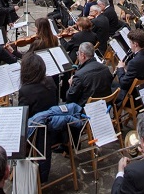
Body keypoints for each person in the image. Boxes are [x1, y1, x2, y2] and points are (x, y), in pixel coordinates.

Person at [18, 52, 58, 183]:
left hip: (35, 135)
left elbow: (23, 118)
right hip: (53, 127)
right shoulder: (51, 81)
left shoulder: (25, 90)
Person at [66, 42, 113, 107]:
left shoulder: (79, 75)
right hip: (105, 107)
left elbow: (70, 99)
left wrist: (71, 84)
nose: (78, 56)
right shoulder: (106, 69)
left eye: (78, 54)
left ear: (83, 55)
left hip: (86, 110)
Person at [115, 30, 144, 101]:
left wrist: (120, 68)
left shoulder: (133, 62)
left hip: (133, 95)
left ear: (135, 44)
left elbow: (123, 84)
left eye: (130, 42)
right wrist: (126, 70)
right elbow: (139, 71)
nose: (130, 45)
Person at [18, 52, 57, 118]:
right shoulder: (50, 80)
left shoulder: (25, 91)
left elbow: (22, 116)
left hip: (35, 125)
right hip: (52, 121)